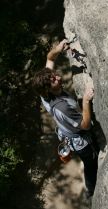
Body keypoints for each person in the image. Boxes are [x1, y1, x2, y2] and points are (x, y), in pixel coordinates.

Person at [33, 39, 98, 198]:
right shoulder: (62, 107)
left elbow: (49, 58)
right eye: (53, 80)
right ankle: (90, 191)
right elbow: (85, 125)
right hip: (80, 140)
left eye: (53, 75)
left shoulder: (45, 95)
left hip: (68, 131)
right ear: (48, 89)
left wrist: (58, 48)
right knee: (91, 164)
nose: (57, 77)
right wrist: (86, 101)